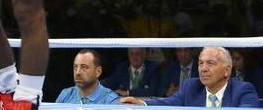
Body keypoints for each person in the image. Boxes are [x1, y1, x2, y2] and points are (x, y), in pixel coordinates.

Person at [121, 47, 258, 107]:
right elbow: (168, 103)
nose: (203, 69)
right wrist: (142, 103)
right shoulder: (191, 86)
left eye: (210, 63)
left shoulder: (243, 90)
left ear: (227, 70)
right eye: (200, 63)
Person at [55, 50, 120, 104]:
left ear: (98, 72)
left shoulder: (111, 100)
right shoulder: (66, 94)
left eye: (84, 67)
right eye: (75, 67)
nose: (78, 72)